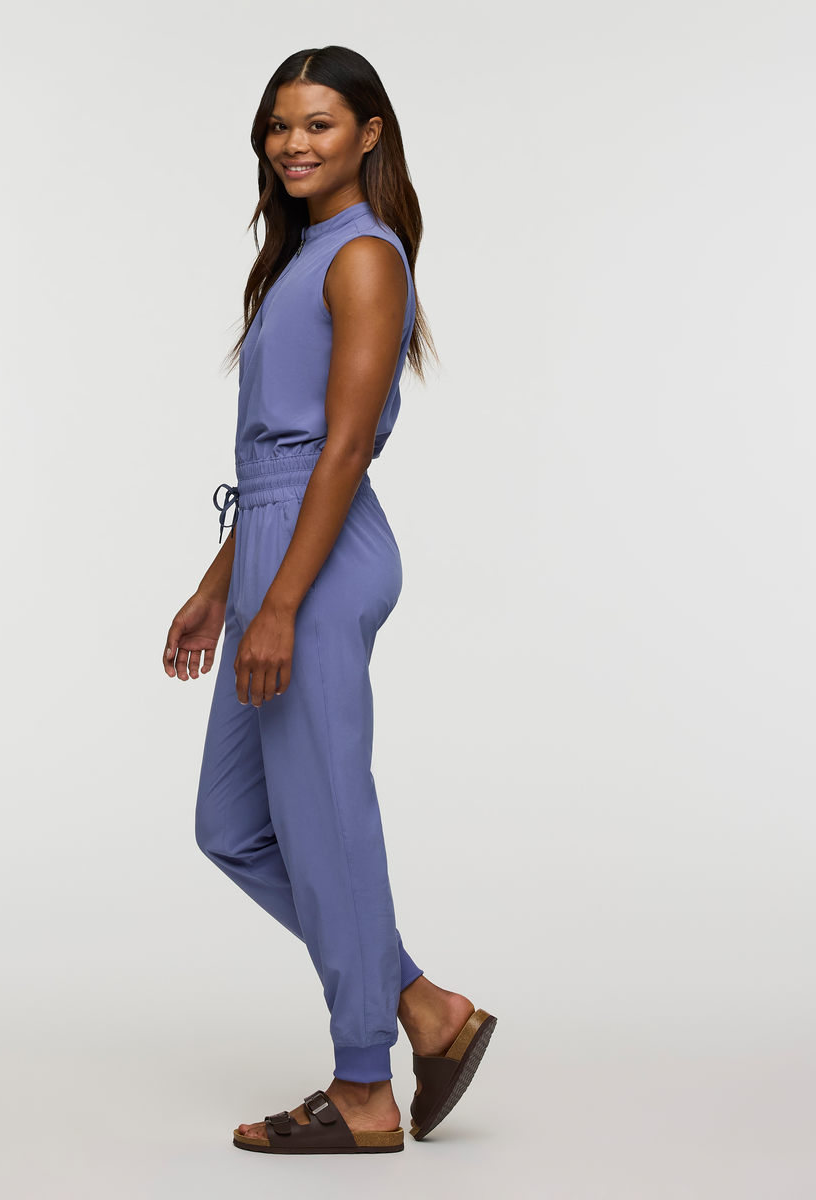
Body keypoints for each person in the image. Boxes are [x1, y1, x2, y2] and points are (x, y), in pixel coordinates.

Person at [162, 45, 496, 1156]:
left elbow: (342, 449)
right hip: (275, 541)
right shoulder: (300, 256)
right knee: (232, 826)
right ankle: (425, 1007)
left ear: (369, 133)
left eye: (318, 123)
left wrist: (280, 605)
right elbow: (277, 457)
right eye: (278, 126)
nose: (293, 144)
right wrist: (221, 586)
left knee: (326, 818)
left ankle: (364, 1088)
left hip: (319, 552)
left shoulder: (363, 257)